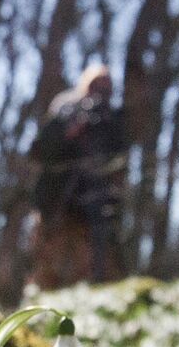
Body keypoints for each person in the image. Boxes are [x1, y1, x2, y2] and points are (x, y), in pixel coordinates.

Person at [26, 64, 126, 288]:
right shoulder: (66, 108)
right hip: (55, 200)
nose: (101, 91)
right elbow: (39, 151)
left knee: (89, 268)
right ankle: (36, 309)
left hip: (91, 205)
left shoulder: (109, 121)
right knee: (47, 265)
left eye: (106, 87)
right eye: (96, 85)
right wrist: (70, 131)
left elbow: (117, 159)